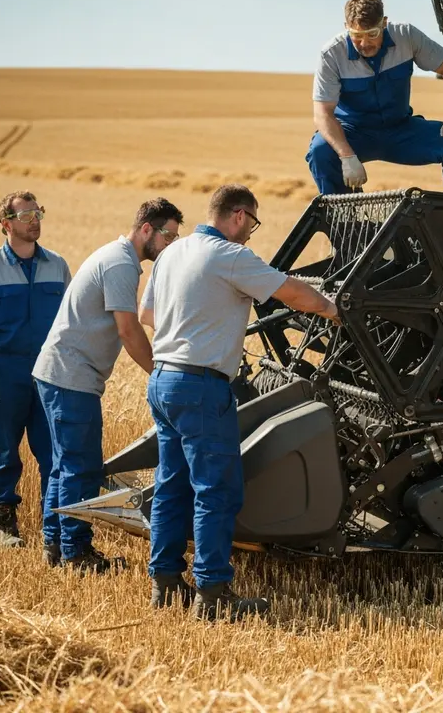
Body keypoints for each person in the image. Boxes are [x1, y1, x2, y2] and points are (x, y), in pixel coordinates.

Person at [139, 184, 340, 618]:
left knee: (172, 486)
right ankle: (212, 595)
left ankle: (165, 583)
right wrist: (333, 309)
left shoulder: (174, 252)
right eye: (252, 223)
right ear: (238, 216)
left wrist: (198, 322)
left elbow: (147, 316)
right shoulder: (230, 256)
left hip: (163, 381)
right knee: (216, 490)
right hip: (200, 387)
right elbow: (294, 294)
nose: (251, 233)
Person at [33, 197, 184, 574]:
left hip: (57, 372)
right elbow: (128, 328)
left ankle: (54, 543)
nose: (170, 246)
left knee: (61, 467)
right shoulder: (121, 265)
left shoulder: (115, 256)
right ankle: (76, 553)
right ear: (147, 229)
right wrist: (159, 371)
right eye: (168, 236)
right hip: (72, 377)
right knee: (79, 469)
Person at [0, 191, 71, 551]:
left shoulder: (57, 265)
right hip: (5, 370)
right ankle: (6, 525)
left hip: (48, 373)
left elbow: (68, 325)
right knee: (3, 452)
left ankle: (51, 530)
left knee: (53, 453)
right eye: (26, 215)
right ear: (6, 224)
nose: (35, 220)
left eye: (38, 212)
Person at [306, 0, 443, 196]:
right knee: (320, 151)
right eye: (356, 35)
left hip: (401, 130)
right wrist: (347, 156)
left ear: (384, 23)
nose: (364, 43)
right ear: (346, 28)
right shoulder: (331, 54)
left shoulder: (406, 36)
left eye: (372, 34)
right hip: (355, 133)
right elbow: (323, 114)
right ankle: (347, 225)